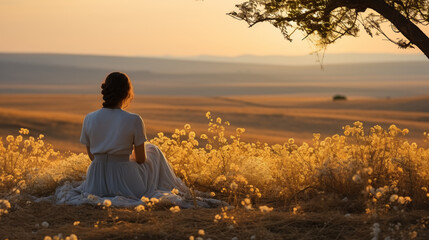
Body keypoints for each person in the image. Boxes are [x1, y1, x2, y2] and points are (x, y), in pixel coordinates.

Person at [55, 72, 220, 208]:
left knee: (148, 152)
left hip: (95, 181)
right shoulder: (134, 119)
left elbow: (92, 156)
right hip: (127, 182)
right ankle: (175, 187)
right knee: (153, 151)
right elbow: (141, 159)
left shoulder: (88, 118)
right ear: (127, 92)